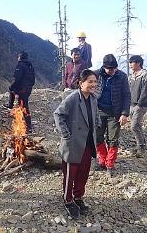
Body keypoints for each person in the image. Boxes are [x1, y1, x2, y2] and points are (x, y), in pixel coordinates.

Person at [54, 69, 99, 219]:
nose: (93, 84)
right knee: (70, 175)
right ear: (80, 83)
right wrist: (66, 134)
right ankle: (68, 200)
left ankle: (78, 197)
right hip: (73, 143)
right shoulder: (73, 98)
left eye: (94, 81)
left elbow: (95, 115)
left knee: (83, 173)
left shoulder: (93, 98)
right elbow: (58, 114)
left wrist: (97, 126)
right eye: (90, 81)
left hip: (87, 143)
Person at [94, 54, 131, 177]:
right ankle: (102, 159)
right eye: (110, 69)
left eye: (114, 68)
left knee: (113, 139)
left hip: (115, 113)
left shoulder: (122, 76)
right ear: (104, 67)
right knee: (98, 136)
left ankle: (110, 163)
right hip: (98, 111)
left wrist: (125, 113)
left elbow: (126, 95)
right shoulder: (96, 75)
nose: (112, 71)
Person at [3, 51, 35, 133]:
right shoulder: (30, 66)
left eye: (18, 57)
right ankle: (28, 126)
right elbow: (33, 80)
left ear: (20, 57)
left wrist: (12, 86)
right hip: (28, 88)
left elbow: (17, 79)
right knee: (24, 105)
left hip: (22, 89)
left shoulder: (20, 65)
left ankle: (28, 127)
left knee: (24, 106)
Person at [129, 55, 147, 158]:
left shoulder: (145, 75)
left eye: (132, 62)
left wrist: (140, 104)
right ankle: (141, 145)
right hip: (131, 104)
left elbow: (145, 91)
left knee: (134, 126)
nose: (130, 65)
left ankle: (141, 148)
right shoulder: (132, 75)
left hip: (140, 105)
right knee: (137, 126)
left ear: (138, 63)